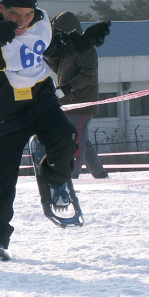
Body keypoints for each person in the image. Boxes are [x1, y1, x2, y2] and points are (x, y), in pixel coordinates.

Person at [0, 0, 110, 261]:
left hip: (40, 101)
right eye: (14, 14)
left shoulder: (41, 23)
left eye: (28, 14)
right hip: (2, 110)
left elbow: (56, 47)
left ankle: (53, 178)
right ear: (2, 8)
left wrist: (85, 41)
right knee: (1, 181)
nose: (22, 21)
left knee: (67, 140)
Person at [45, 12, 109, 179]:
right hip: (71, 101)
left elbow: (88, 75)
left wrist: (68, 88)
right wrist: (50, 55)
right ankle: (99, 172)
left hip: (82, 102)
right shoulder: (68, 47)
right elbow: (59, 69)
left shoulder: (85, 48)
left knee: (76, 140)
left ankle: (72, 174)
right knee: (82, 139)